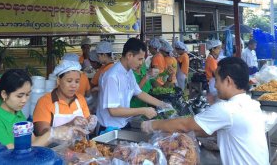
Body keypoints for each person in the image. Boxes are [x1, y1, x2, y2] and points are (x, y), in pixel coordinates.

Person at [141, 57, 269, 165]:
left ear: (228, 81)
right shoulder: (251, 104)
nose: (215, 85)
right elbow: (211, 130)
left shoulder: (227, 109)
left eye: (217, 80)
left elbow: (185, 125)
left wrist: (152, 125)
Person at [0, 69, 77, 148]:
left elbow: (33, 141)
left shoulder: (18, 114)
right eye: (20, 96)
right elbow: (12, 155)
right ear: (4, 94)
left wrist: (58, 133)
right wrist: (51, 135)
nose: (24, 100)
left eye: (27, 94)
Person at [96, 38, 169, 132]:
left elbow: (138, 92)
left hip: (123, 124)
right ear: (129, 55)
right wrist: (143, 110)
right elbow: (113, 111)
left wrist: (162, 104)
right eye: (140, 59)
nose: (141, 63)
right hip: (109, 129)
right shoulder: (112, 76)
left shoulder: (129, 72)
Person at [33, 58, 97, 136]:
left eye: (77, 81)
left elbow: (89, 130)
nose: (74, 85)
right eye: (69, 81)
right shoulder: (45, 102)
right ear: (58, 81)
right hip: (55, 148)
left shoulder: (80, 99)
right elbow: (42, 133)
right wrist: (70, 124)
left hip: (79, 146)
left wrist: (91, 124)